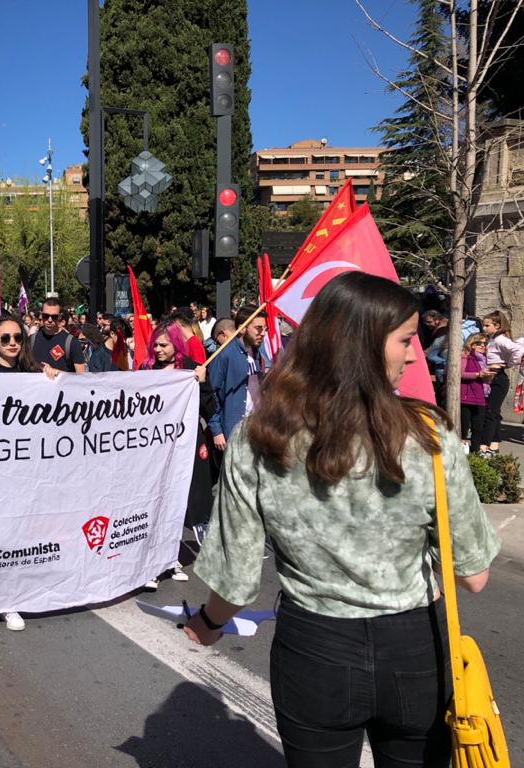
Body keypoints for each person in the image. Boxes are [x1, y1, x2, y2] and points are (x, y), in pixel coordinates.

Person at [183, 272, 500, 767]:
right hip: (414, 647)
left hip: (315, 651)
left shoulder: (257, 437)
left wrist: (207, 623)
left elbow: (237, 574)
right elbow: (474, 575)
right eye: (406, 340)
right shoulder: (428, 434)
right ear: (364, 346)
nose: (416, 354)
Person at [0, 315, 57, 632]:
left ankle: (10, 601)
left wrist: (50, 374)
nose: (11, 344)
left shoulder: (33, 374)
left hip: (24, 472)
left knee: (19, 536)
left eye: (17, 338)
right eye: (5, 338)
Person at [138, 321, 212, 588]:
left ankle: (170, 558)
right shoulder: (145, 370)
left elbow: (208, 407)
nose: (157, 350)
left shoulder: (192, 370)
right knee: (153, 501)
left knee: (177, 503)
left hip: (183, 448)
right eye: (155, 345)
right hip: (152, 450)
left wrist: (202, 384)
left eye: (163, 345)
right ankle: (149, 564)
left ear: (176, 346)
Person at [207, 306, 266, 450]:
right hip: (233, 431)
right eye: (258, 328)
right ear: (243, 328)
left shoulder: (256, 351)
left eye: (265, 328)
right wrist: (217, 430)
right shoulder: (224, 354)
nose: (263, 333)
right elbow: (211, 393)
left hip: (255, 428)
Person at [479, 310, 524, 457]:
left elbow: (518, 349)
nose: (484, 328)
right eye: (483, 325)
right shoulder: (493, 339)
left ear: (497, 326)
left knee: (490, 413)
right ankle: (494, 444)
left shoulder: (500, 340)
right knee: (494, 412)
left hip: (498, 376)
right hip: (492, 375)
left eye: (487, 325)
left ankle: (484, 446)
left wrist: (509, 363)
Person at [30, 297, 85, 373]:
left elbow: (81, 375)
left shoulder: (72, 342)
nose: (49, 320)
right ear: (41, 315)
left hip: (63, 385)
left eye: (54, 317)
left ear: (60, 317)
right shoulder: (31, 340)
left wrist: (56, 373)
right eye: (45, 316)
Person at [460, 333, 493, 454]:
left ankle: (475, 452)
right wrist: (478, 375)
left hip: (480, 396)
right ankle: (462, 452)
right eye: (479, 343)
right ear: (471, 343)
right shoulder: (464, 355)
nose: (482, 346)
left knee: (478, 427)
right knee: (463, 427)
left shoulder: (484, 359)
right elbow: (459, 373)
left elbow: (484, 379)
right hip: (466, 396)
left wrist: (488, 377)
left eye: (485, 343)